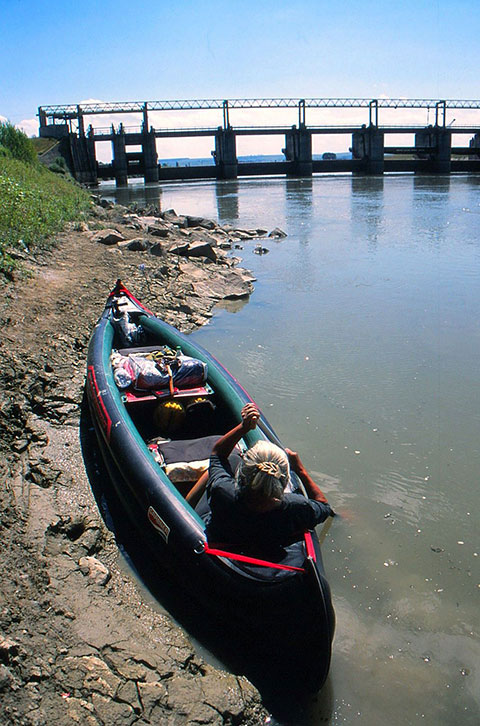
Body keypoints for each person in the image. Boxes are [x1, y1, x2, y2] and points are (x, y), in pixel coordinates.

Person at [186, 403, 333, 549]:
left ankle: (185, 505)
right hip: (261, 550)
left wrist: (244, 427)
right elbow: (324, 507)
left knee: (228, 461)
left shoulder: (223, 492)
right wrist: (300, 470)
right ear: (284, 480)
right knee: (228, 463)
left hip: (222, 539)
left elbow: (217, 455)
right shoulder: (297, 507)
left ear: (242, 475)